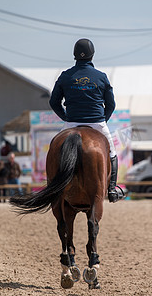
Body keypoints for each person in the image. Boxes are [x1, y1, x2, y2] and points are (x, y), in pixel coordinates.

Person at [49, 38, 125, 203]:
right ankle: (112, 190)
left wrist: (66, 118)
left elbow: (54, 102)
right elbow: (111, 104)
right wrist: (102, 120)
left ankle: (52, 187)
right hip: (97, 123)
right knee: (112, 152)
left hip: (71, 123)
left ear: (74, 55)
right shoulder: (101, 77)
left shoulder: (65, 76)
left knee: (54, 150)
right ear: (92, 55)